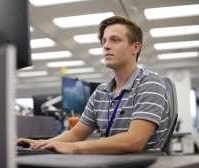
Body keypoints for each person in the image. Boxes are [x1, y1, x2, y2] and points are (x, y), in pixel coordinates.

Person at [17, 15, 169, 154]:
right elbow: (76, 134)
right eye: (104, 41)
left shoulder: (150, 83)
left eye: (115, 40)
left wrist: (73, 148)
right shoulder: (101, 92)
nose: (106, 46)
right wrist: (41, 144)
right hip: (111, 162)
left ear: (135, 48)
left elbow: (134, 141)